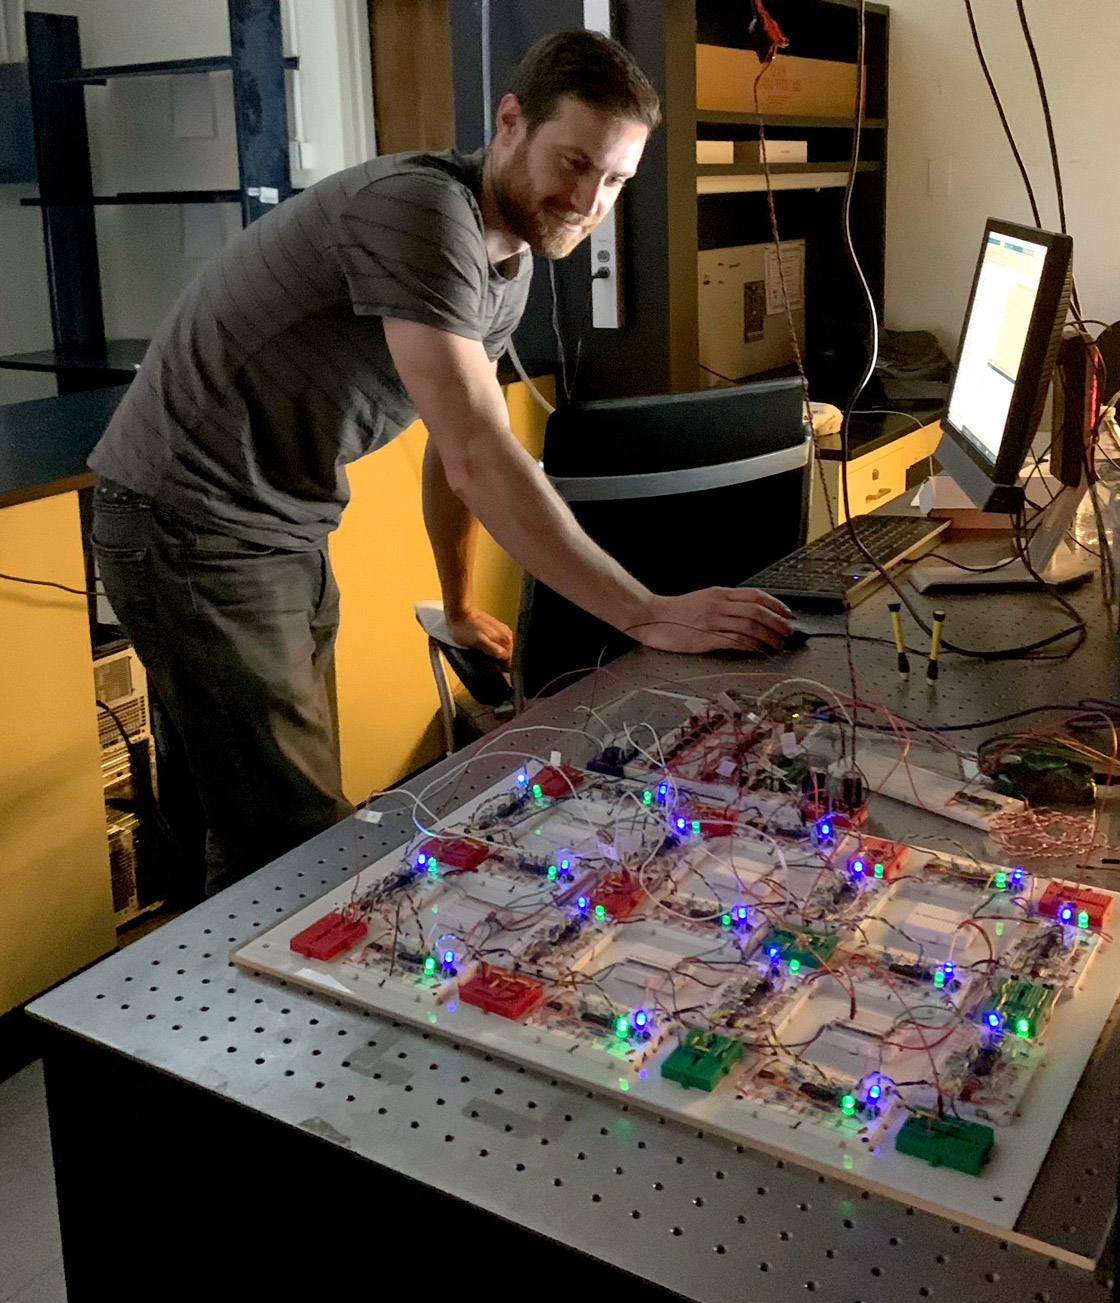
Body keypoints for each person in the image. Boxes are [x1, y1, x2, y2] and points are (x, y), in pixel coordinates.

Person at [88, 30, 793, 897]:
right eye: (572, 163)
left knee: (243, 814)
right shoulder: (422, 211)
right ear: (509, 123)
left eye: (613, 181)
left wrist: (460, 602)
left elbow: (453, 438)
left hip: (275, 527)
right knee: (293, 849)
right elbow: (477, 458)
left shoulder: (509, 260)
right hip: (190, 524)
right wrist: (645, 612)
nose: (587, 200)